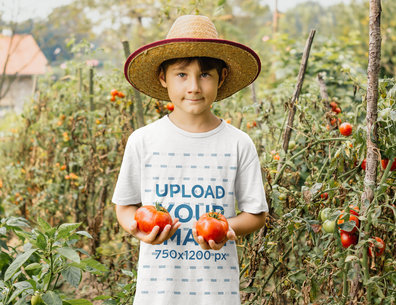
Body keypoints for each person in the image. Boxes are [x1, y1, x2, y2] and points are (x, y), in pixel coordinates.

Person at [112, 14, 268, 305]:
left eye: (205, 74)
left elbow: (256, 214)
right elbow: (125, 206)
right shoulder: (143, 141)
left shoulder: (238, 143)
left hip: (216, 292)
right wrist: (136, 228)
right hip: (157, 292)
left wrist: (227, 228)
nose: (194, 86)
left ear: (221, 78)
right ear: (163, 78)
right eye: (182, 75)